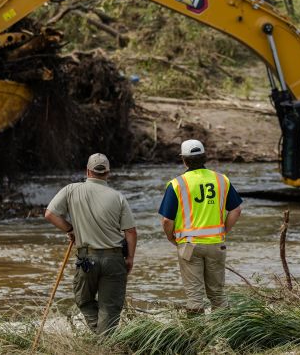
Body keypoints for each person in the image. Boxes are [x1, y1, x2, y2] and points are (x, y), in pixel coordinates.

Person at [44, 153, 137, 335]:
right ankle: (105, 339)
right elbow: (131, 232)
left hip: (87, 258)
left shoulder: (71, 190)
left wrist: (70, 230)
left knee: (84, 300)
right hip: (114, 258)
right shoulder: (118, 197)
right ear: (108, 173)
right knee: (110, 308)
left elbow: (50, 214)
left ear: (88, 171)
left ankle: (102, 340)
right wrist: (130, 258)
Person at [159, 139, 243, 315]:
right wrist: (224, 231)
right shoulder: (222, 180)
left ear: (184, 160)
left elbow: (167, 220)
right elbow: (236, 209)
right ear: (204, 158)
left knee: (194, 296)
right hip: (216, 244)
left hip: (189, 245)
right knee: (218, 294)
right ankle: (224, 334)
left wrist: (171, 238)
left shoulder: (177, 184)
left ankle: (197, 337)